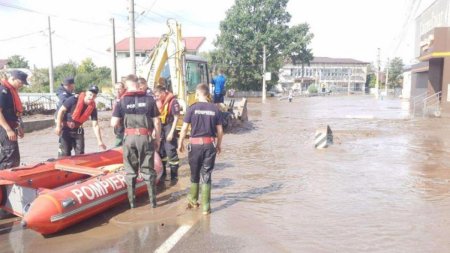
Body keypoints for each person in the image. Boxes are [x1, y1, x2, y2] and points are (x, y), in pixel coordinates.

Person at [111, 74, 161, 208]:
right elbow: (157, 121)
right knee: (148, 170)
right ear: (138, 84)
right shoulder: (150, 99)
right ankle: (153, 203)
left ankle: (132, 204)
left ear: (127, 85)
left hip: (129, 138)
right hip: (145, 137)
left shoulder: (121, 101)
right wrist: (158, 139)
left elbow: (113, 123)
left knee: (130, 171)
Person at [178, 83, 223, 215]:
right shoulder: (215, 109)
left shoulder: (192, 108)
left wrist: (180, 142)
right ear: (208, 94)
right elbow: (220, 131)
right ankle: (206, 208)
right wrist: (219, 144)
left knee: (194, 173)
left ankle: (193, 200)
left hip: (195, 146)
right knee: (207, 174)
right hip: (210, 145)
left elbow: (185, 128)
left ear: (197, 94)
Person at [55, 85, 106, 157]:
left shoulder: (92, 108)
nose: (91, 97)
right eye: (90, 95)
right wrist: (58, 126)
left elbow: (95, 125)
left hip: (78, 130)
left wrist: (99, 141)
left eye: (94, 96)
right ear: (86, 93)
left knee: (80, 154)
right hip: (66, 129)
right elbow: (61, 111)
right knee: (65, 153)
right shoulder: (73, 99)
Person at [0, 70, 28, 169]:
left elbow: (15, 112)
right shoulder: (3, 91)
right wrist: (8, 129)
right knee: (9, 158)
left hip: (12, 126)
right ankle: (4, 182)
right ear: (12, 78)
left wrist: (19, 127)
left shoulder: (12, 91)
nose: (21, 85)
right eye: (20, 82)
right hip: (5, 128)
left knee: (13, 157)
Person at [154, 85, 180, 181]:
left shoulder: (173, 102)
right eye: (155, 96)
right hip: (161, 126)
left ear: (163, 93)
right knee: (160, 151)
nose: (156, 97)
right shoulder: (158, 102)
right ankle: (163, 173)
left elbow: (176, 118)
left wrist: (171, 133)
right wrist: (154, 131)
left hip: (169, 125)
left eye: (158, 95)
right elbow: (156, 119)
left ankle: (174, 176)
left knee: (170, 151)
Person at [55, 77, 75, 155]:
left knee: (68, 142)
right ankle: (62, 157)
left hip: (67, 119)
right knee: (63, 142)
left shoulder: (70, 92)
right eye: (67, 85)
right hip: (61, 118)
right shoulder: (61, 92)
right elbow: (65, 101)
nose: (70, 87)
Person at [112, 82, 126, 147]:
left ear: (123, 89)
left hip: (123, 124)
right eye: (116, 89)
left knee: (118, 143)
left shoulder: (125, 98)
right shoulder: (116, 98)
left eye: (119, 89)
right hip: (117, 124)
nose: (117, 91)